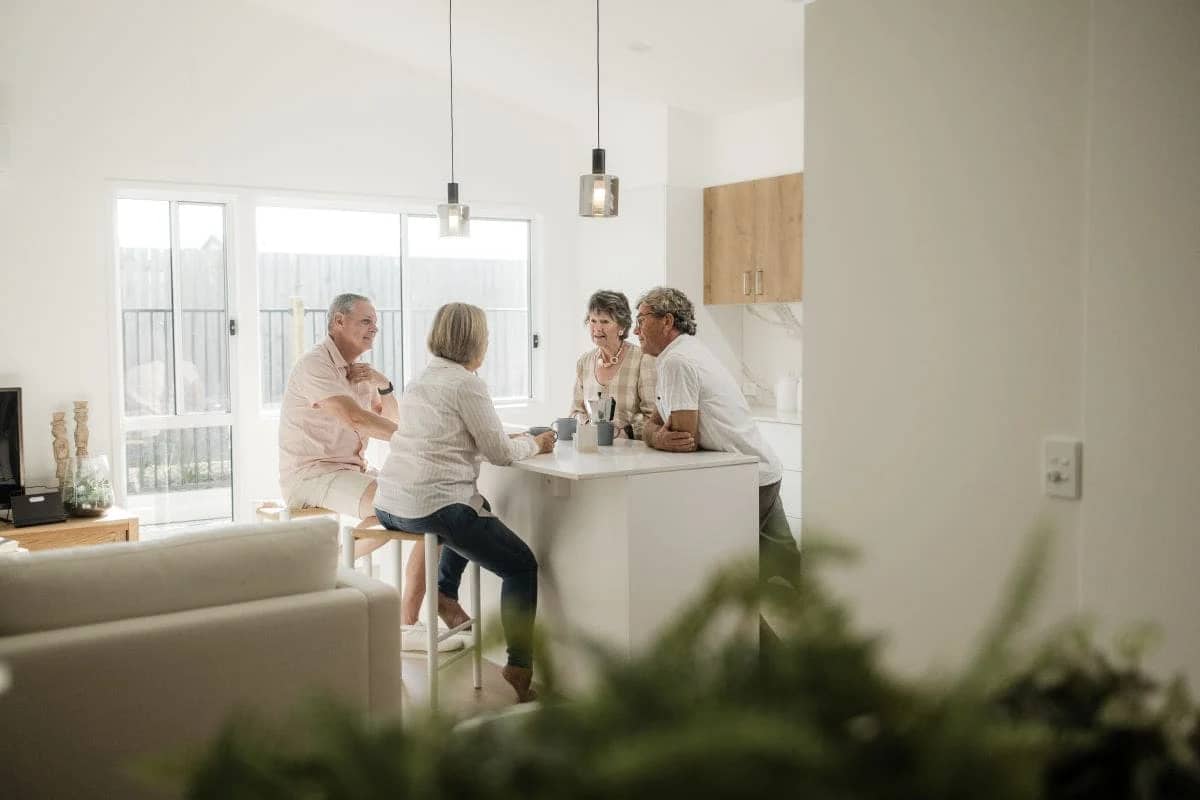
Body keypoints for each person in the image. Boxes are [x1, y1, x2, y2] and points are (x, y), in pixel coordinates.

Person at [375, 302, 555, 703]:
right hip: (434, 507)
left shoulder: (420, 380)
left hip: (390, 502)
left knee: (477, 506)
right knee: (520, 564)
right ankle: (519, 666)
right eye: (486, 337)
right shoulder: (467, 384)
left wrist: (516, 440)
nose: (488, 344)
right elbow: (500, 454)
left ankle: (444, 592)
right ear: (475, 341)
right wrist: (537, 443)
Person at [278, 292, 456, 652]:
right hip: (311, 474)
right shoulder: (315, 365)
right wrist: (414, 441)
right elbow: (356, 417)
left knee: (430, 504)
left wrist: (383, 384)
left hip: (349, 471)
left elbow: (392, 420)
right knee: (399, 502)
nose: (374, 329)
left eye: (375, 323)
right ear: (337, 322)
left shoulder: (359, 373)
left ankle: (408, 623)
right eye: (365, 321)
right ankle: (322, 565)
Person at [633, 286, 800, 583]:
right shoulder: (680, 354)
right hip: (760, 470)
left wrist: (656, 435)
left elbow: (684, 438)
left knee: (734, 579)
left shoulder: (677, 361)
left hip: (742, 478)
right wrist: (655, 434)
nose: (636, 329)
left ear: (667, 321)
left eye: (641, 319)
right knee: (787, 573)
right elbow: (655, 421)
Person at [569, 290, 657, 439]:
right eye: (593, 320)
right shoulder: (584, 362)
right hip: (593, 452)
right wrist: (588, 427)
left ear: (621, 327)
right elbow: (576, 412)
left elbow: (653, 415)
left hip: (632, 454)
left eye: (605, 321)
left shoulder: (643, 359)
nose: (597, 328)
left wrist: (623, 433)